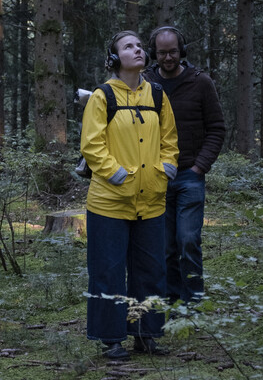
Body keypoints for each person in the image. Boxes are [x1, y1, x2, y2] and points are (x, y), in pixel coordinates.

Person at [81, 30, 179, 360]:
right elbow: (92, 146)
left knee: (151, 270)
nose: (137, 49)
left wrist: (166, 168)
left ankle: (146, 333)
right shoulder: (102, 96)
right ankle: (111, 339)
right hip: (109, 201)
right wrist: (117, 174)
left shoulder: (156, 95)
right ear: (115, 58)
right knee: (108, 270)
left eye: (139, 45)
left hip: (151, 199)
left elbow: (170, 141)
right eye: (128, 47)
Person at [142, 26, 226, 304]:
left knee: (188, 240)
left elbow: (216, 128)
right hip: (156, 176)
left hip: (190, 175)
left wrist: (200, 167)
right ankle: (172, 298)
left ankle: (192, 303)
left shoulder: (201, 82)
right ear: (154, 53)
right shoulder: (145, 83)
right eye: (163, 52)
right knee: (165, 245)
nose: (168, 57)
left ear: (182, 51)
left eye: (173, 51)